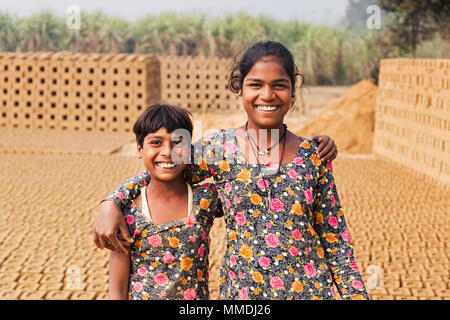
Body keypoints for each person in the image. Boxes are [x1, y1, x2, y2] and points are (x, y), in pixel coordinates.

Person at [95, 40, 369, 300]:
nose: (267, 95)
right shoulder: (219, 150)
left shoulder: (314, 156)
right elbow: (166, 166)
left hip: (310, 291)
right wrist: (111, 202)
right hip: (241, 295)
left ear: (293, 91)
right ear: (240, 89)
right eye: (255, 84)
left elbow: (337, 242)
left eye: (279, 85)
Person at [108, 104, 223, 300]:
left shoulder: (205, 200)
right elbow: (117, 290)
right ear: (139, 149)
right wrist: (109, 203)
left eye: (178, 142)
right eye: (156, 142)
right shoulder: (126, 213)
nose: (168, 151)